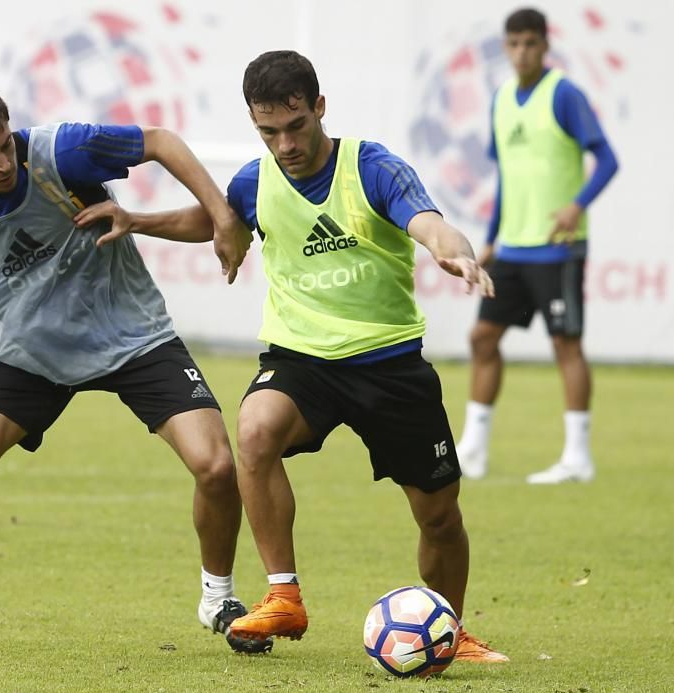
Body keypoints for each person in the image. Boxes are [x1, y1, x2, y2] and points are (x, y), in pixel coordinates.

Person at [75, 50, 508, 662]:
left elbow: (430, 222)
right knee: (253, 431)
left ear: (319, 108)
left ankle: (448, 630)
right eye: (268, 131)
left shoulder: (373, 166)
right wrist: (137, 218)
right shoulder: (256, 180)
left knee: (439, 517)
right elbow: (216, 220)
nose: (285, 144)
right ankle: (283, 596)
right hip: (302, 359)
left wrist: (452, 250)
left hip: (389, 363)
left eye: (295, 126)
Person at [0, 79, 269, 656]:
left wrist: (222, 217)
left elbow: (161, 141)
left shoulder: (59, 151)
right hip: (32, 352)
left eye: (4, 146)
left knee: (217, 466)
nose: (3, 164)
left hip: (128, 329)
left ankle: (218, 598)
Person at [455, 7, 619, 485]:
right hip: (514, 248)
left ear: (546, 45)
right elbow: (506, 176)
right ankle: (476, 451)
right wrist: (490, 240)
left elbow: (608, 160)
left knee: (566, 345)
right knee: (482, 339)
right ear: (506, 48)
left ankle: (577, 456)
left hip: (558, 248)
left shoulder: (564, 94)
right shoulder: (501, 97)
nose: (522, 52)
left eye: (531, 43)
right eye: (514, 44)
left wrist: (575, 206)